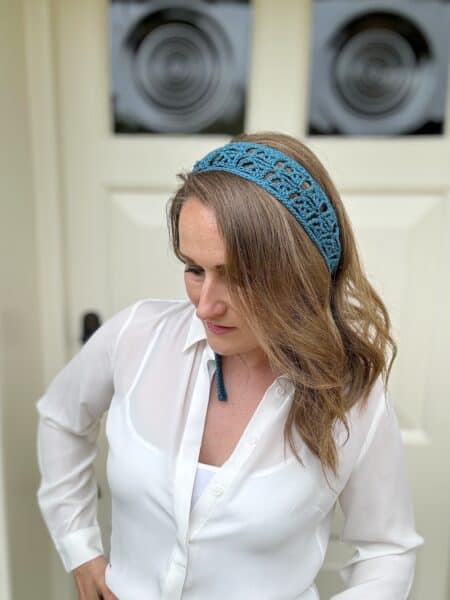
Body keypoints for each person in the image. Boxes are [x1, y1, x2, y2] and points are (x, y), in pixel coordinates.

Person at [36, 132, 424, 600]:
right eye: (194, 269)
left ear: (301, 273)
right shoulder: (136, 335)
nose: (205, 307)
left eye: (239, 278)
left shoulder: (352, 395)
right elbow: (61, 417)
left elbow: (387, 550)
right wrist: (80, 547)